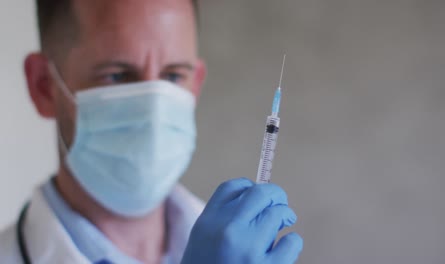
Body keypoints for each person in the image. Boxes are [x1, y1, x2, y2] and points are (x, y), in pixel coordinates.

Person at [0, 0, 303, 263]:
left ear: (195, 85)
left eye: (172, 75)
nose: (154, 108)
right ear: (44, 86)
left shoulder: (246, 251)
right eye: (117, 75)